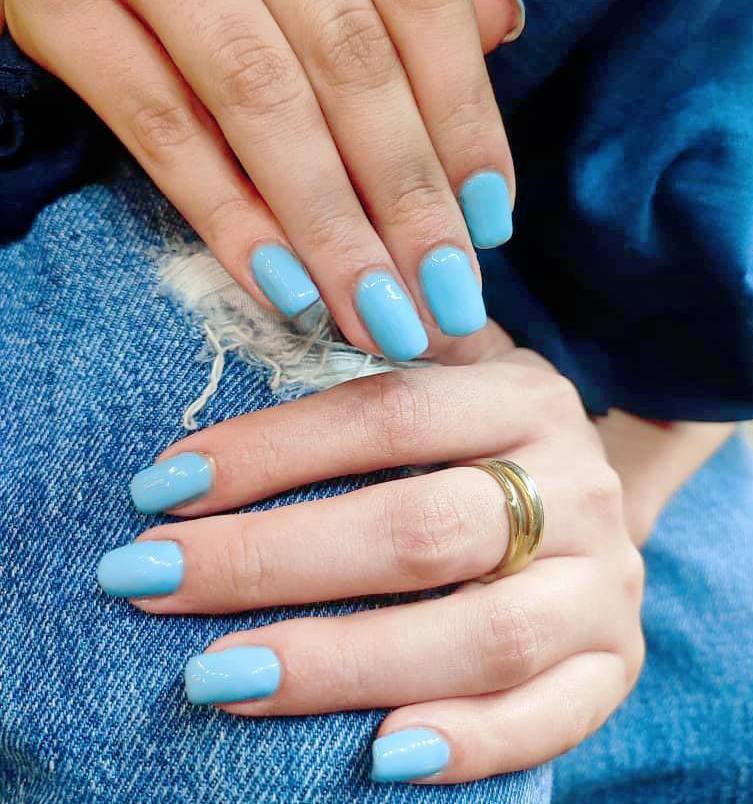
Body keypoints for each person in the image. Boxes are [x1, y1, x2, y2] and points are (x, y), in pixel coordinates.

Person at [1, 1, 751, 801]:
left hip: (562, 357)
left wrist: (606, 484)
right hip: (88, 178)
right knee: (301, 750)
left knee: (723, 693)